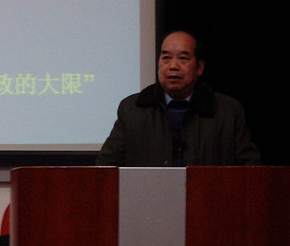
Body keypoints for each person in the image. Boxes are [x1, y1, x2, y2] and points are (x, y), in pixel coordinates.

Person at [96, 31, 262, 167]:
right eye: (166, 58)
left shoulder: (228, 111)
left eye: (183, 58)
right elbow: (106, 167)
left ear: (199, 67)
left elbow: (250, 170)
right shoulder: (133, 109)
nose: (173, 66)